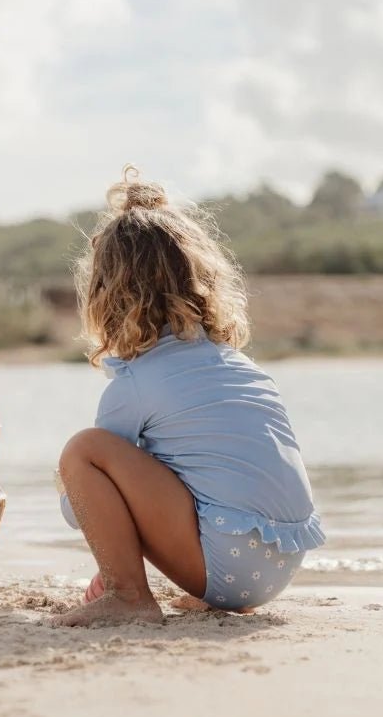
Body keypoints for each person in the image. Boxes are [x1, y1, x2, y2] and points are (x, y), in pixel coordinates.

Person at [53, 165, 325, 627]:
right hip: (282, 565)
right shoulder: (241, 367)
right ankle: (193, 589)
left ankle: (127, 595)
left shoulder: (135, 383)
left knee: (83, 453)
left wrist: (67, 486)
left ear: (107, 294)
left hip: (230, 564)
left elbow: (81, 511)